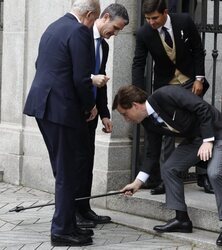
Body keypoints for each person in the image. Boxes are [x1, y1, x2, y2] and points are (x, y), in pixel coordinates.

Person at [113, 84, 222, 246]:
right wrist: (137, 183)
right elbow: (152, 154)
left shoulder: (166, 94)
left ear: (135, 105)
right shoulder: (148, 121)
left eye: (125, 114)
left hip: (216, 133)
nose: (126, 119)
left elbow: (202, 108)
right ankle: (182, 220)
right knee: (169, 168)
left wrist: (208, 140)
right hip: (196, 140)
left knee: (215, 173)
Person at [23, 0, 103, 246]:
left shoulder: (53, 27)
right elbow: (81, 78)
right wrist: (90, 105)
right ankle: (61, 231)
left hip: (43, 105)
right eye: (93, 20)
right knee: (67, 171)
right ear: (89, 15)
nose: (92, 26)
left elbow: (42, 65)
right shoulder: (79, 31)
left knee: (64, 170)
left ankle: (68, 224)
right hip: (61, 109)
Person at [132, 0, 210, 195]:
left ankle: (204, 175)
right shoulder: (144, 33)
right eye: (148, 19)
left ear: (165, 12)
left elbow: (198, 50)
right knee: (165, 132)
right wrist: (138, 94)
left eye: (155, 18)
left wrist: (199, 78)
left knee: (200, 127)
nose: (151, 22)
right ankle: (167, 179)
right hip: (164, 86)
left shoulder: (184, 21)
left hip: (191, 83)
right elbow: (138, 63)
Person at [75, 3, 129, 228]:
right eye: (115, 28)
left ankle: (85, 209)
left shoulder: (103, 47)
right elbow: (77, 75)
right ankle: (74, 212)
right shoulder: (81, 35)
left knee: (87, 161)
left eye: (119, 31)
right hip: (76, 111)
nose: (115, 34)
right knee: (76, 163)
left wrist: (105, 113)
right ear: (105, 17)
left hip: (93, 113)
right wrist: (88, 105)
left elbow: (102, 82)